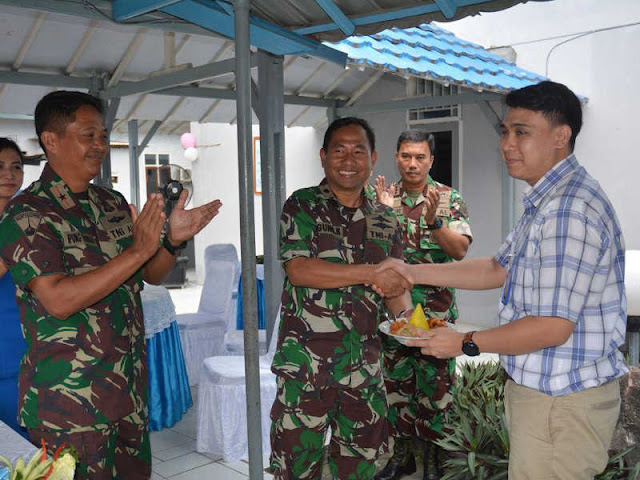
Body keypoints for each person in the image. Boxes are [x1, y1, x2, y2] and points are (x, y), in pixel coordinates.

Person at [376, 81, 628, 480]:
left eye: (522, 132)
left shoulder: (568, 210)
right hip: (548, 398)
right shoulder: (546, 201)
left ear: (561, 137)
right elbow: (497, 268)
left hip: (560, 401)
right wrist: (413, 271)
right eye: (505, 132)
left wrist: (464, 343)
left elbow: (551, 326)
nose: (507, 144)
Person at [0, 91, 222, 480]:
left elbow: (148, 275)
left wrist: (171, 241)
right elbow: (58, 299)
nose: (100, 145)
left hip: (127, 391)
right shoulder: (27, 213)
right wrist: (137, 251)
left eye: (103, 135)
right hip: (70, 404)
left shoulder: (111, 203)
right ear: (51, 141)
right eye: (89, 135)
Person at [269, 117, 415, 480]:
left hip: (363, 370)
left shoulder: (386, 219)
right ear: (323, 156)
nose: (348, 160)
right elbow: (300, 269)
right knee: (296, 468)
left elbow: (395, 288)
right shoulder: (301, 205)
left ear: (373, 158)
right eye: (339, 150)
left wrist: (418, 327)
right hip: (306, 369)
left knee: (359, 469)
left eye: (358, 151)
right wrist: (370, 272)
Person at [372, 130, 472, 480]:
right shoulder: (381, 197)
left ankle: (434, 461)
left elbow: (459, 250)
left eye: (419, 157)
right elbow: (370, 254)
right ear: (396, 157)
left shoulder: (448, 197)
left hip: (435, 318)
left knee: (436, 392)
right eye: (405, 156)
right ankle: (402, 457)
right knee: (396, 388)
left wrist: (434, 222)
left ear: (431, 159)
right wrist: (383, 218)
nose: (412, 164)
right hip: (395, 318)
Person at [0, 138, 28, 439]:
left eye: (16, 166)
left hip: (34, 341)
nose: (9, 174)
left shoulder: (31, 216)